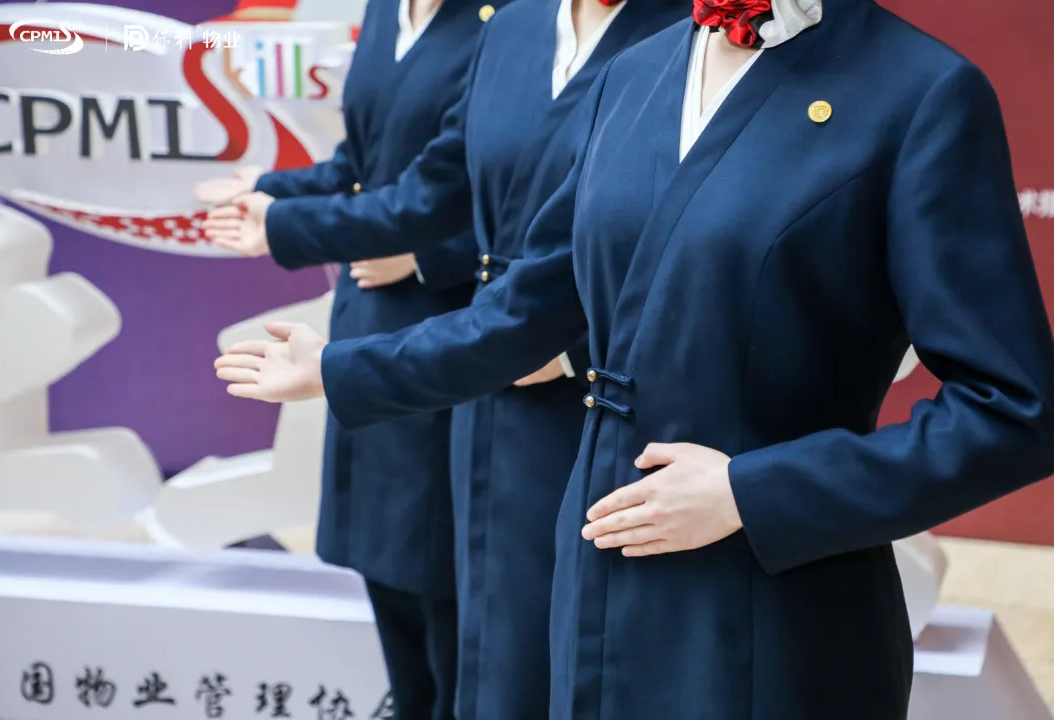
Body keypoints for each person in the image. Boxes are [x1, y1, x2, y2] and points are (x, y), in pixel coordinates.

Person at [214, 0, 1054, 717]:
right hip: (596, 556)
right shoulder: (637, 72)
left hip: (774, 589)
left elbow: (1014, 410)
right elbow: (526, 311)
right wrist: (344, 368)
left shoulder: (921, 92)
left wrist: (751, 492)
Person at [205, 0, 690, 716]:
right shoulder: (519, 24)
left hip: (595, 396)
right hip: (481, 373)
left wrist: (568, 344)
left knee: (561, 655)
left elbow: (696, 233)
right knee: (475, 647)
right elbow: (435, 184)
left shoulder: (689, 34)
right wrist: (281, 213)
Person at [195, 1, 502, 718]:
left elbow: (521, 198)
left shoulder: (507, 22)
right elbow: (363, 164)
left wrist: (426, 257)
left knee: (444, 589)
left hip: (448, 337)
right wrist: (268, 190)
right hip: (368, 321)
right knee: (387, 574)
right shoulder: (388, 10)